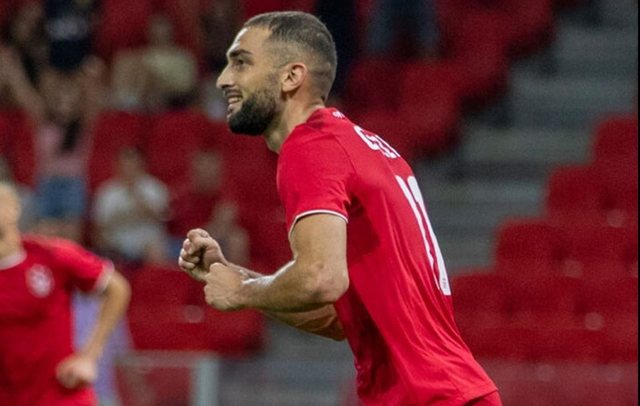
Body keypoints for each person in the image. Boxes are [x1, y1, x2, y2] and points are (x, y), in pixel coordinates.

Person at [179, 11, 501, 405]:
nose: (224, 79)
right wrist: (237, 274)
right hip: (446, 391)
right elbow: (338, 317)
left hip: (429, 396)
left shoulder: (310, 147)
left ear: (291, 77)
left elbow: (321, 278)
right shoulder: (362, 147)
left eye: (241, 62)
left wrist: (243, 292)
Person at [0, 181, 131, 406]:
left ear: (14, 209)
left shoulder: (52, 255)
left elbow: (117, 288)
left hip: (61, 396)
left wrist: (89, 355)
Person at [93, 147, 170, 264]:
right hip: (117, 244)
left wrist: (136, 194)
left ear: (142, 165)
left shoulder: (154, 188)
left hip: (148, 242)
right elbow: (98, 228)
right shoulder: (107, 192)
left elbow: (162, 217)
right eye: (125, 165)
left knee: (155, 250)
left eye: (133, 165)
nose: (129, 169)